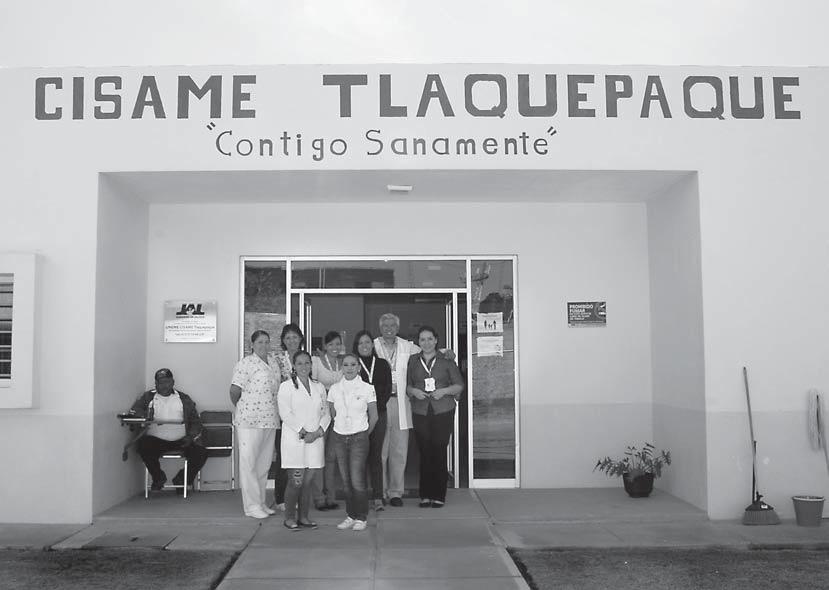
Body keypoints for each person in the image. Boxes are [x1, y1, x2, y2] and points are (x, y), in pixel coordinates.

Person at [406, 326, 464, 508]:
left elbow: (459, 385)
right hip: (421, 410)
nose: (426, 343)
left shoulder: (446, 360)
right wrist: (414, 391)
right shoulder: (413, 361)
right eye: (422, 339)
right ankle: (425, 495)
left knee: (438, 451)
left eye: (430, 339)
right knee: (424, 452)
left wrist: (444, 391)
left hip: (442, 410)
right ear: (418, 342)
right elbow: (408, 386)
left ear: (436, 340)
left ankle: (438, 495)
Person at [229, 330, 281, 519]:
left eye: (267, 342)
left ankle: (260, 502)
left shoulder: (273, 362)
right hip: (249, 421)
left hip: (270, 419)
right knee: (249, 464)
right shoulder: (246, 363)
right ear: (252, 345)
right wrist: (245, 407)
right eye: (260, 342)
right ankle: (251, 506)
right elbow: (234, 391)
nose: (264, 345)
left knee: (263, 464)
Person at [132, 368, 208, 494]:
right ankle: (158, 477)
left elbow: (195, 421)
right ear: (155, 384)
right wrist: (145, 416)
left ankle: (181, 480)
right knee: (142, 445)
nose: (164, 385)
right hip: (156, 441)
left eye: (167, 382)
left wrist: (190, 437)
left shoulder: (183, 398)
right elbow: (135, 411)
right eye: (160, 382)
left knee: (201, 453)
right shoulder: (148, 397)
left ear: (173, 382)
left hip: (181, 440)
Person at [278, 350, 330, 530]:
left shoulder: (319, 387)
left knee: (308, 482)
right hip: (295, 440)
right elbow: (285, 413)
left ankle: (304, 517)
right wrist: (303, 432)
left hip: (315, 440)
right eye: (299, 363)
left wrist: (317, 432)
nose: (304, 366)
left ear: (311, 365)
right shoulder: (286, 387)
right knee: (296, 481)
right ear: (293, 366)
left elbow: (326, 412)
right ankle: (289, 518)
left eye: (307, 362)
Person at [328, 353, 378, 531]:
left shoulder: (367, 388)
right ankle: (351, 515)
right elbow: (332, 413)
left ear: (358, 367)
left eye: (353, 365)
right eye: (346, 365)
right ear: (341, 368)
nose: (349, 368)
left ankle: (361, 517)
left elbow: (374, 416)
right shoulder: (334, 389)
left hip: (359, 438)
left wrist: (363, 434)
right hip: (340, 437)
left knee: (357, 479)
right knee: (345, 480)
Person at [353, 329, 393, 511]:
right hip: (358, 417)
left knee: (376, 456)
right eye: (361, 343)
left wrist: (375, 409)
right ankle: (359, 497)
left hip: (379, 415)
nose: (364, 345)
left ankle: (378, 497)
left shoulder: (383, 364)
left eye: (367, 342)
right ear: (356, 346)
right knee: (359, 457)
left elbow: (386, 389)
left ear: (373, 344)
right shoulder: (353, 364)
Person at [311, 330, 344, 511]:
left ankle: (331, 496)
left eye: (337, 344)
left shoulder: (343, 363)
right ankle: (318, 497)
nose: (334, 347)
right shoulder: (316, 362)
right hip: (320, 415)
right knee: (318, 456)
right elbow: (314, 387)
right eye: (330, 344)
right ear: (325, 346)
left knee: (332, 457)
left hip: (338, 416)